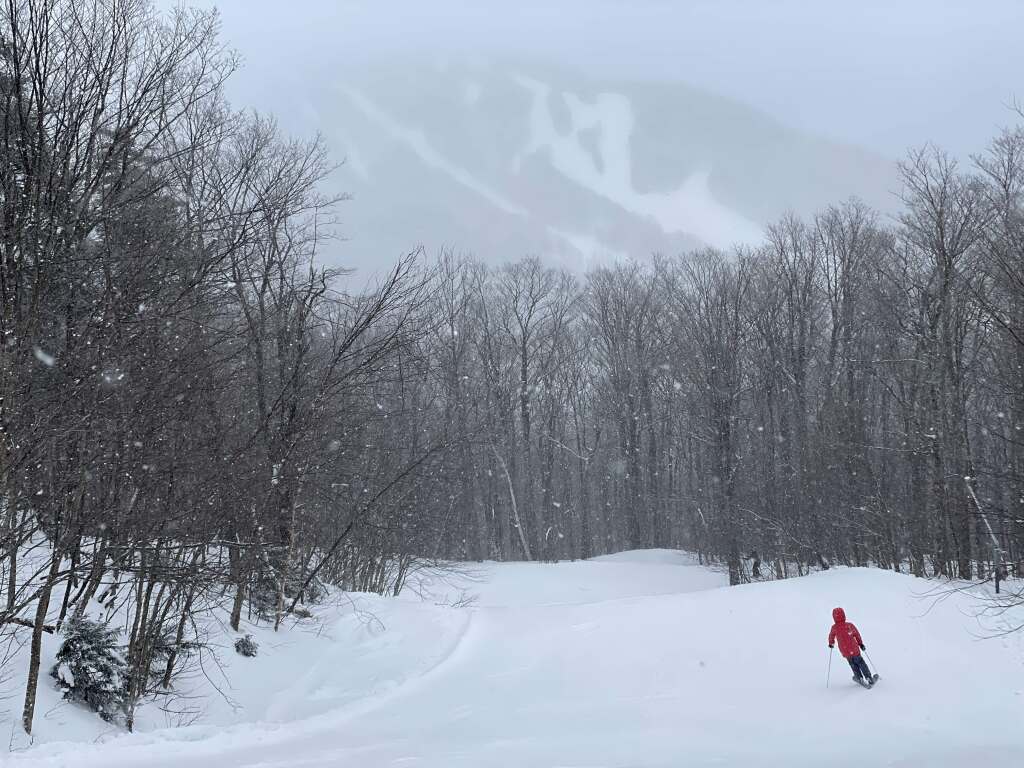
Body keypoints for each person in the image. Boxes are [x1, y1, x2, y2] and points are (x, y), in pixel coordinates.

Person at [828, 607, 874, 685]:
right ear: (844, 615)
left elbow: (831, 636)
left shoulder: (834, 628)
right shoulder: (849, 625)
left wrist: (831, 643)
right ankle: (868, 677)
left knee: (852, 664)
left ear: (834, 617)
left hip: (845, 651)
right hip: (854, 649)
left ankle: (859, 677)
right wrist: (860, 643)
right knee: (861, 663)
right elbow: (857, 634)